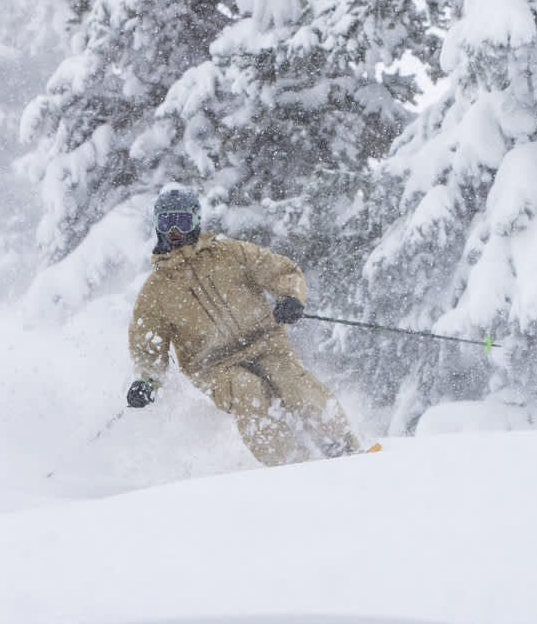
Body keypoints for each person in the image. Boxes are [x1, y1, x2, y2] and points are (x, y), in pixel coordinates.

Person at [125, 190, 361, 466]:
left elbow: (282, 271)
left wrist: (290, 298)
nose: (174, 231)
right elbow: (147, 342)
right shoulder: (156, 291)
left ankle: (344, 449)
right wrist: (147, 380)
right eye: (166, 223)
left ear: (196, 220)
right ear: (157, 226)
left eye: (181, 221)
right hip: (212, 366)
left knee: (294, 384)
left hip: (266, 344)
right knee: (247, 391)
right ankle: (290, 464)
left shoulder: (230, 253)